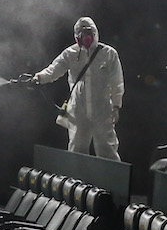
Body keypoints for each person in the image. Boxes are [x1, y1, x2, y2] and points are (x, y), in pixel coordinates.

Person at [28, 17, 124, 161]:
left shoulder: (109, 54)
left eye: (88, 33)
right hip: (78, 111)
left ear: (94, 33)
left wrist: (116, 106)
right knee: (76, 151)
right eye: (81, 34)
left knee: (107, 150)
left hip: (102, 109)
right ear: (76, 37)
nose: (85, 37)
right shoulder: (70, 54)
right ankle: (76, 181)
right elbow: (54, 70)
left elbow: (117, 82)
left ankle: (111, 181)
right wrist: (38, 78)